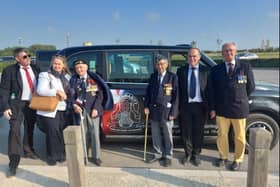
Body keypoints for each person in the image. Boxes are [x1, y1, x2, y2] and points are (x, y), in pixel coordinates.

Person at [209, 42, 255, 171]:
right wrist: (212, 107)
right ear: (222, 53)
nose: (228, 53)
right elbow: (211, 90)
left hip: (239, 108)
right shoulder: (216, 69)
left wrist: (240, 97)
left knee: (239, 136)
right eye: (226, 51)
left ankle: (237, 159)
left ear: (235, 52)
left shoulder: (245, 67)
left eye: (231, 51)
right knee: (222, 135)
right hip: (221, 108)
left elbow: (251, 87)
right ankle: (223, 157)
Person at [0, 48, 40, 177]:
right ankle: (13, 162)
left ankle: (28, 150)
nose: (27, 58)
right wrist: (5, 107)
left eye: (28, 55)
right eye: (24, 57)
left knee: (30, 127)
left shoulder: (35, 69)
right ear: (17, 58)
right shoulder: (9, 71)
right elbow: (4, 90)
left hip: (32, 103)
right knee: (15, 130)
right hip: (16, 104)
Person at [69, 59, 113, 166]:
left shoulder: (93, 78)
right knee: (83, 134)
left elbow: (100, 95)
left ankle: (96, 156)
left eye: (82, 67)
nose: (80, 69)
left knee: (94, 134)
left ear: (86, 67)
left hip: (93, 110)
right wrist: (74, 105)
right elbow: (71, 95)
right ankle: (84, 155)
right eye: (77, 68)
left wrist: (96, 108)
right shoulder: (73, 80)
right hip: (80, 110)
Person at [176, 48, 213, 166]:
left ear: (199, 57)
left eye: (194, 56)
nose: (192, 59)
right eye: (190, 56)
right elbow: (177, 91)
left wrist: (212, 108)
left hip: (200, 106)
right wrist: (177, 108)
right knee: (186, 132)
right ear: (187, 58)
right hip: (185, 106)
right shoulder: (181, 71)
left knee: (198, 132)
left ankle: (196, 154)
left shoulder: (206, 71)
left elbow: (211, 91)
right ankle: (187, 154)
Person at [144, 55, 178, 167]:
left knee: (168, 135)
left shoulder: (172, 77)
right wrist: (146, 106)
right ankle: (158, 154)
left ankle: (168, 155)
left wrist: (173, 112)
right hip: (154, 110)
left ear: (167, 65)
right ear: (156, 65)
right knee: (155, 134)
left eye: (162, 64)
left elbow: (176, 96)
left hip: (167, 111)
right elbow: (148, 93)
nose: (160, 66)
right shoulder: (153, 77)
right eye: (158, 64)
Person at [36, 55, 71, 165]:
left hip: (64, 108)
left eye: (59, 64)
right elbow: (40, 90)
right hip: (50, 109)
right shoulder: (45, 75)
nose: (57, 66)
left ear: (63, 65)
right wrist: (56, 92)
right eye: (55, 63)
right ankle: (51, 156)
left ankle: (60, 155)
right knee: (52, 132)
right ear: (52, 64)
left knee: (60, 132)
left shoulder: (67, 77)